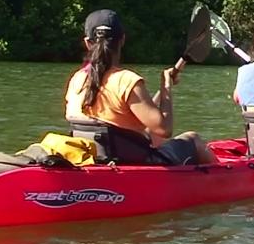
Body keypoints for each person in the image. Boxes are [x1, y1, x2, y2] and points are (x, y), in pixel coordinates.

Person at [65, 9, 217, 165]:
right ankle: (227, 177)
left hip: (95, 160)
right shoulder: (127, 80)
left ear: (88, 43)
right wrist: (166, 85)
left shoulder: (77, 79)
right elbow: (164, 129)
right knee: (194, 139)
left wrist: (165, 87)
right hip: (132, 162)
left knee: (151, 135)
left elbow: (141, 119)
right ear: (122, 39)